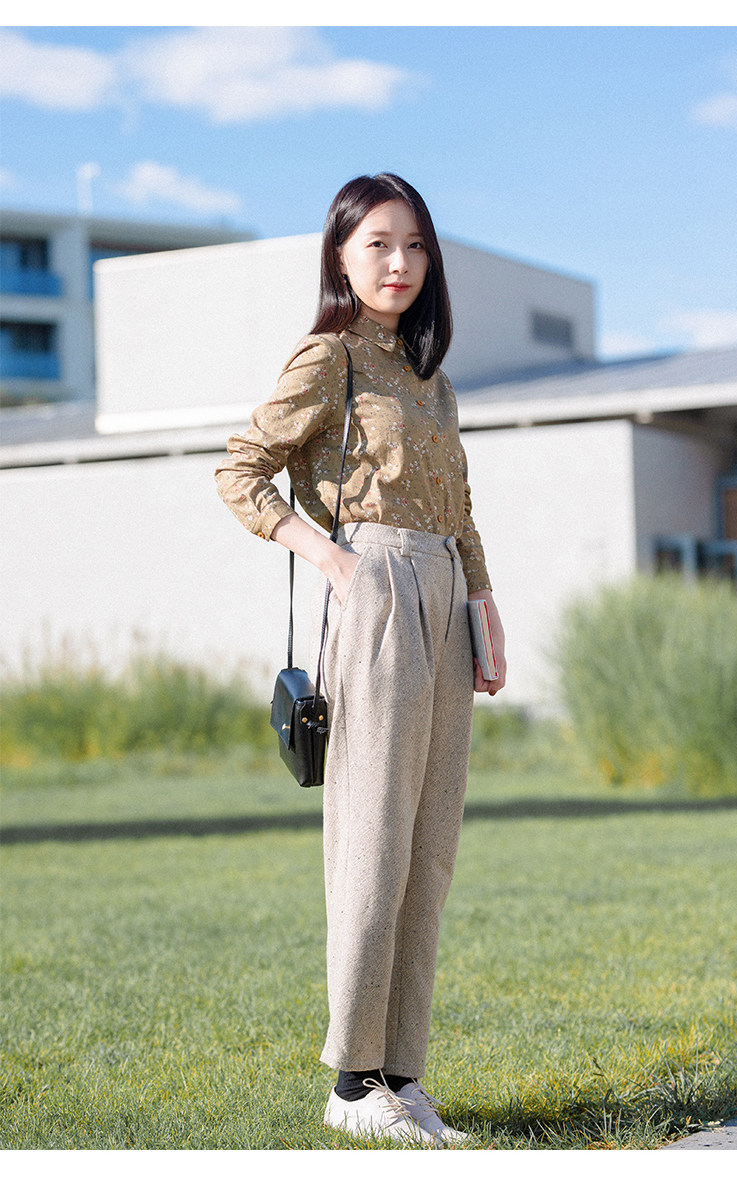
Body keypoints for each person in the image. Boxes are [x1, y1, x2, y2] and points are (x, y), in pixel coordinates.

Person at [215, 173, 506, 1146]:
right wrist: (331, 557)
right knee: (374, 838)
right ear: (341, 255)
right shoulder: (329, 358)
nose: (400, 262)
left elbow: (460, 508)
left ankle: (402, 1077)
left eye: (415, 245)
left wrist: (484, 604)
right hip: (376, 590)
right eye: (379, 243)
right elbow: (240, 471)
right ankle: (350, 1083)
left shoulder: (431, 380)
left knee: (430, 844)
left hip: (445, 594)